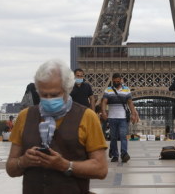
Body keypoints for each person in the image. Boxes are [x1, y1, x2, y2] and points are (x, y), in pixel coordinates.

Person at [6, 59, 108, 194]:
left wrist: (65, 165)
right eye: (43, 94)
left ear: (67, 90)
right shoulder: (25, 116)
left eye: (54, 95)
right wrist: (23, 161)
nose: (48, 99)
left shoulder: (87, 117)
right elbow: (11, 168)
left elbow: (101, 169)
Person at [101, 73, 139, 163]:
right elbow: (104, 102)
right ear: (112, 81)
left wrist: (133, 114)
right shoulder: (108, 90)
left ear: (121, 80)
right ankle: (115, 155)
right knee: (113, 137)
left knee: (123, 136)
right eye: (115, 81)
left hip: (123, 117)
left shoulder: (126, 90)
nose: (116, 83)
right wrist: (103, 111)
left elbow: (130, 103)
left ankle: (124, 154)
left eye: (118, 81)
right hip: (112, 117)